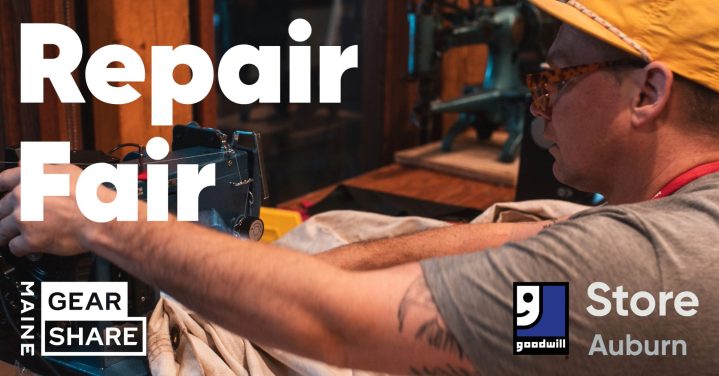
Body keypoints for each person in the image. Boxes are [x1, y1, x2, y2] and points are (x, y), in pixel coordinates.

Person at [2, 0, 719, 374]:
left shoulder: (664, 267)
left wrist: (104, 219)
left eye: (555, 80)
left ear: (648, 93)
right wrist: (294, 269)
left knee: (97, 332)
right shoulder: (669, 224)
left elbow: (334, 326)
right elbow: (538, 240)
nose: (538, 103)